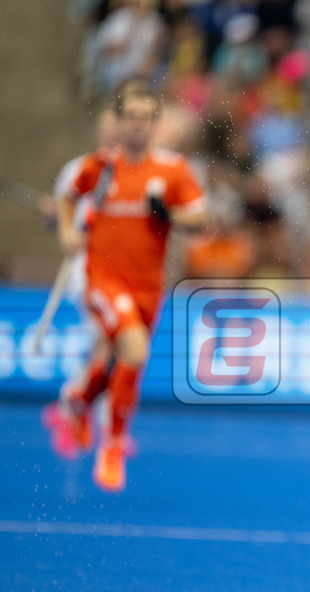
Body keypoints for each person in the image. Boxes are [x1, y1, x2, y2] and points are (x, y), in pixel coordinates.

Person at [45, 80, 207, 493]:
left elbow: (200, 220)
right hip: (102, 279)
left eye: (145, 118)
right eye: (130, 117)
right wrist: (67, 232)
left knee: (122, 358)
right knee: (132, 349)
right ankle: (112, 445)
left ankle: (77, 402)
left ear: (155, 124)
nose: (137, 125)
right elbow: (67, 195)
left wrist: (167, 213)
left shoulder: (172, 170)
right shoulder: (101, 166)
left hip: (149, 286)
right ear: (118, 122)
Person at [41, 107, 119, 461]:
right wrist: (57, 221)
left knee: (109, 347)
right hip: (87, 271)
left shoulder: (129, 170)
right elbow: (63, 220)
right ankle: (74, 407)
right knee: (108, 342)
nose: (110, 135)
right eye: (105, 129)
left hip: (119, 270)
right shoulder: (77, 170)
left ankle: (88, 416)